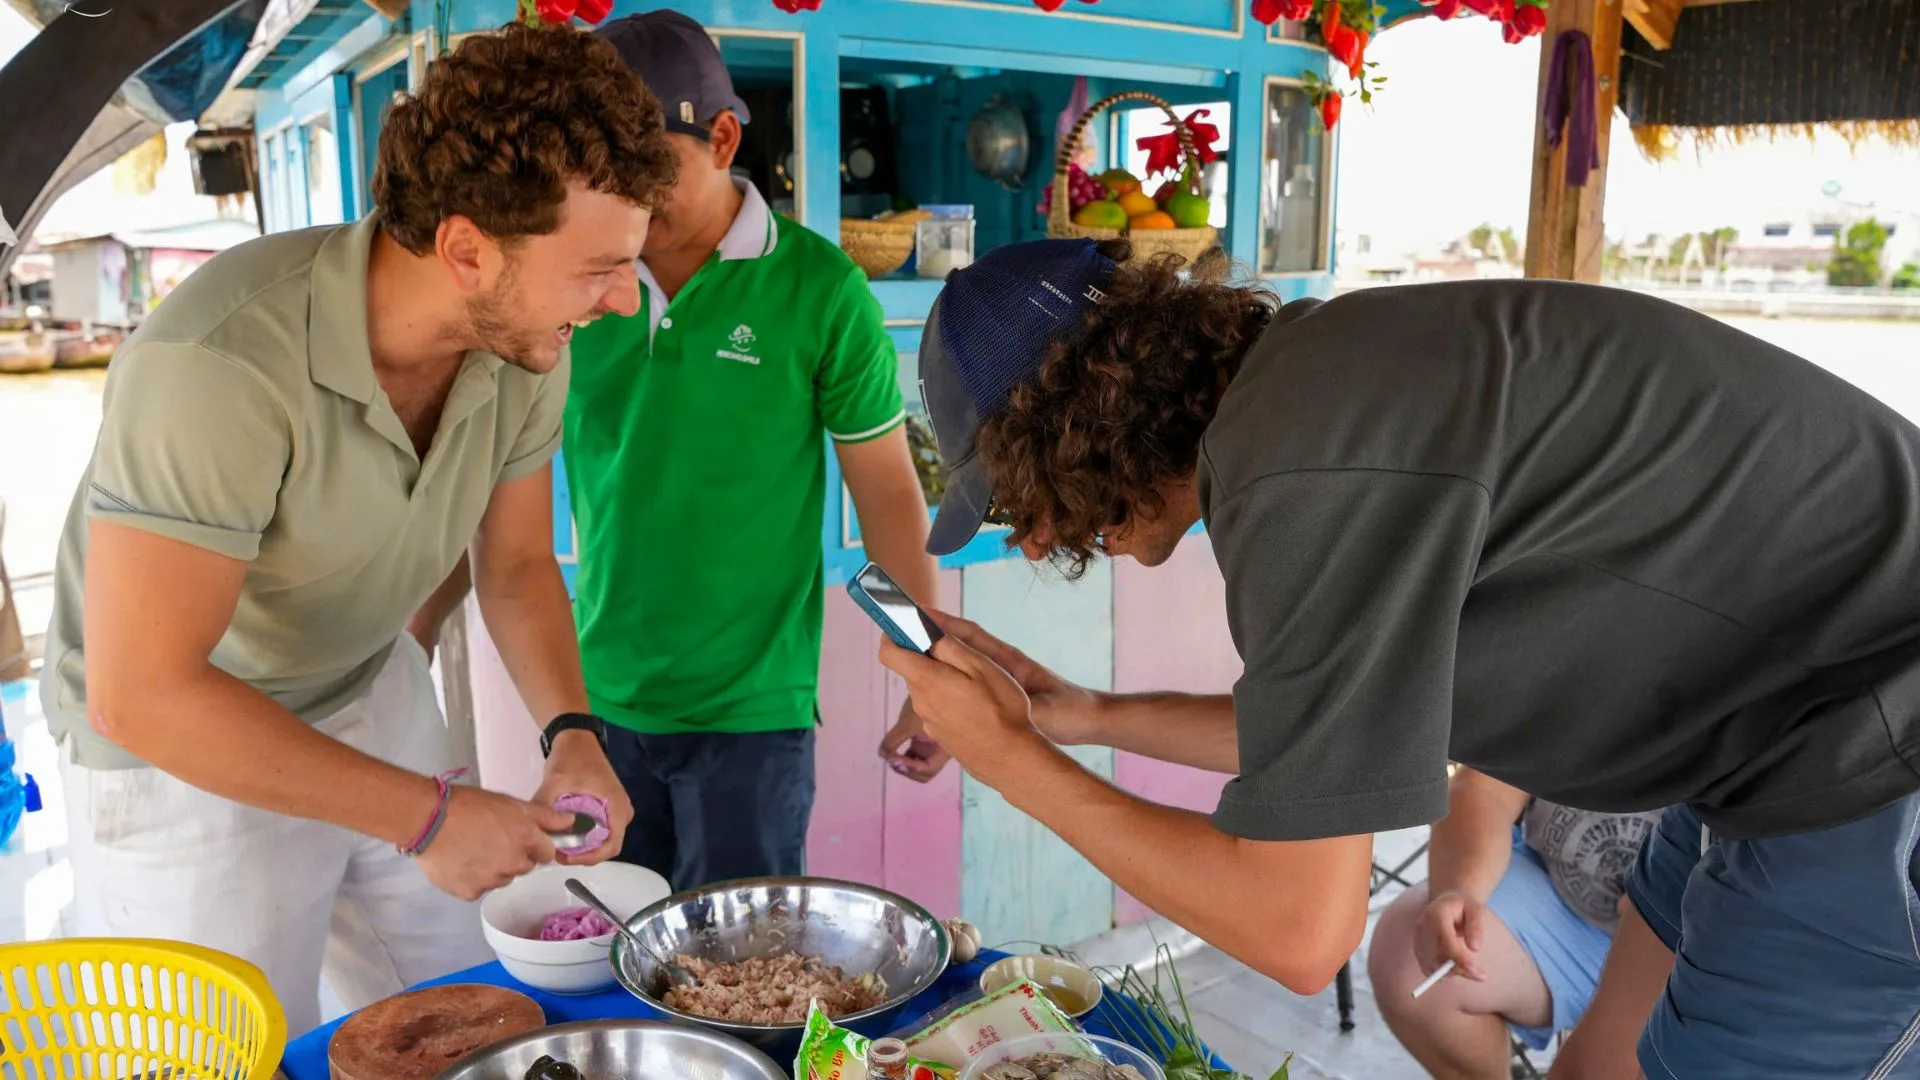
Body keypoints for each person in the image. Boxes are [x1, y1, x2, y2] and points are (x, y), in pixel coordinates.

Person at [881, 239, 1920, 1079]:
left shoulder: (1306, 474)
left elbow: (1299, 931)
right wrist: (1085, 715)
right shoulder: (1313, 392)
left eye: (1017, 497)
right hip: (1753, 741)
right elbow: (1332, 736)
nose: (1026, 538)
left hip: (1870, 745)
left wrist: (1014, 763)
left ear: (1076, 431)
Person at [40, 23, 679, 1035]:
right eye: (598, 268)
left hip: (367, 682)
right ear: (466, 248)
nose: (620, 300)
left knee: (461, 1021)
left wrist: (573, 735)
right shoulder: (219, 363)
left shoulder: (526, 349)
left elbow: (512, 565)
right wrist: (424, 816)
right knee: (234, 1047)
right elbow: (142, 692)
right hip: (182, 749)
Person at [412, 9, 940, 892]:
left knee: (747, 972)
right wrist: (416, 634)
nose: (628, 208)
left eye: (647, 172)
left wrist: (928, 668)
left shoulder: (820, 290)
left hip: (754, 711)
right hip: (595, 697)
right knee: (623, 954)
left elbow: (886, 496)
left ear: (724, 136)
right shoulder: (569, 288)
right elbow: (498, 498)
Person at [1367, 767, 1665, 1079]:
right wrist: (1460, 889)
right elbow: (1485, 787)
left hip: (1690, 938)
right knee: (1413, 960)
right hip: (1559, 892)